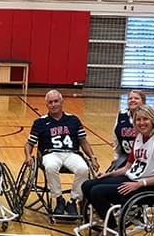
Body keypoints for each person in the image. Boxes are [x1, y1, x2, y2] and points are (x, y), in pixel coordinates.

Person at [81, 105, 154, 234]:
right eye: (138, 120)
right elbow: (127, 168)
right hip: (132, 178)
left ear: (153, 120)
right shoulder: (139, 137)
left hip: (148, 186)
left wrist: (140, 184)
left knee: (97, 191)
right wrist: (109, 174)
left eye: (145, 119)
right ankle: (109, 223)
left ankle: (111, 228)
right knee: (87, 185)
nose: (141, 123)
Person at [24, 89, 99, 218]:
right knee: (51, 167)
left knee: (83, 169)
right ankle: (59, 199)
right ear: (47, 105)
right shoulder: (40, 122)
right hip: (50, 154)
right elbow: (29, 143)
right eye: (50, 102)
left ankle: (73, 201)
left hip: (72, 153)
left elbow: (83, 141)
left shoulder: (73, 120)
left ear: (62, 102)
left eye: (56, 101)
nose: (53, 105)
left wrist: (92, 157)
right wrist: (28, 156)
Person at [110, 90, 154, 170]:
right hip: (126, 156)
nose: (132, 100)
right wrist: (116, 156)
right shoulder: (121, 116)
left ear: (143, 102)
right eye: (130, 98)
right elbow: (116, 137)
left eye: (136, 98)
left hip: (147, 158)